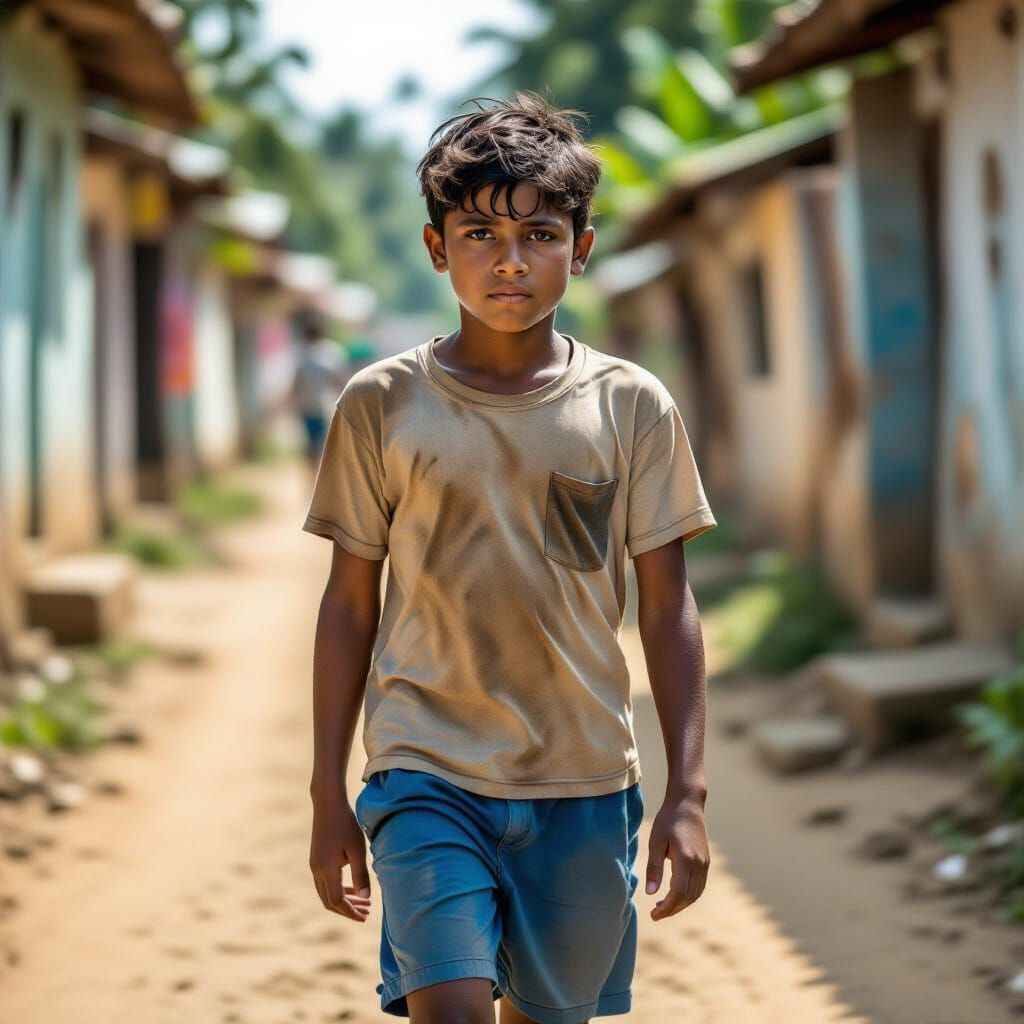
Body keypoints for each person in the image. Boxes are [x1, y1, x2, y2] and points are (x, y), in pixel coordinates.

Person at [302, 91, 717, 1024]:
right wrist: (329, 790)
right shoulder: (381, 403)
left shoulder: (630, 406)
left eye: (538, 233)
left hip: (583, 778)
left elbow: (666, 607)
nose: (510, 260)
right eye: (480, 233)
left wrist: (686, 793)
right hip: (424, 771)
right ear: (436, 248)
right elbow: (346, 606)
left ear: (582, 248)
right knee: (447, 1007)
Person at [287, 316, 352, 474]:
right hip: (325, 406)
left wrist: (291, 402)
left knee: (312, 444)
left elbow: (296, 383)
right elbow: (340, 381)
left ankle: (314, 477)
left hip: (307, 405)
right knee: (325, 445)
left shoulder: (302, 354)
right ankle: (323, 479)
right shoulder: (331, 353)